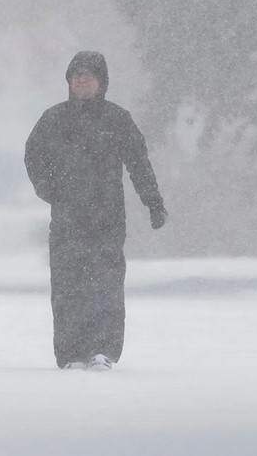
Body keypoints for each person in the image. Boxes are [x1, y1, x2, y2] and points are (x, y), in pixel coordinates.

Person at [24, 50, 167, 371]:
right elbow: (33, 157)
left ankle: (103, 349)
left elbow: (139, 164)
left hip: (107, 219)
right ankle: (71, 353)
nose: (81, 80)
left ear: (101, 81)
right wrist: (49, 190)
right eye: (76, 75)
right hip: (67, 219)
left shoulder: (117, 120)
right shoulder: (53, 119)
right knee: (67, 288)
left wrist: (153, 202)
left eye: (88, 74)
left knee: (107, 287)